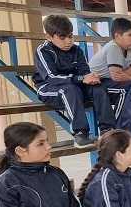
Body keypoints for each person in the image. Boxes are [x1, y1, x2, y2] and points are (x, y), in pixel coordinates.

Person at [33, 14, 116, 147]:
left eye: (70, 36)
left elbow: (84, 70)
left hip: (75, 85)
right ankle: (80, 133)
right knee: (70, 89)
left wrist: (91, 78)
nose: (68, 41)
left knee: (98, 87)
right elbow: (51, 77)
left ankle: (107, 129)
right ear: (49, 37)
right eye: (62, 38)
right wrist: (81, 78)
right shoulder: (43, 51)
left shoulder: (76, 50)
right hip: (48, 88)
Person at [88, 17, 131, 118]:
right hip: (95, 84)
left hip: (108, 80)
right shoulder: (113, 48)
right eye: (130, 35)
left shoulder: (130, 49)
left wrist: (126, 75)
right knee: (127, 88)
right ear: (117, 36)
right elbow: (117, 76)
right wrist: (130, 77)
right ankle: (117, 123)